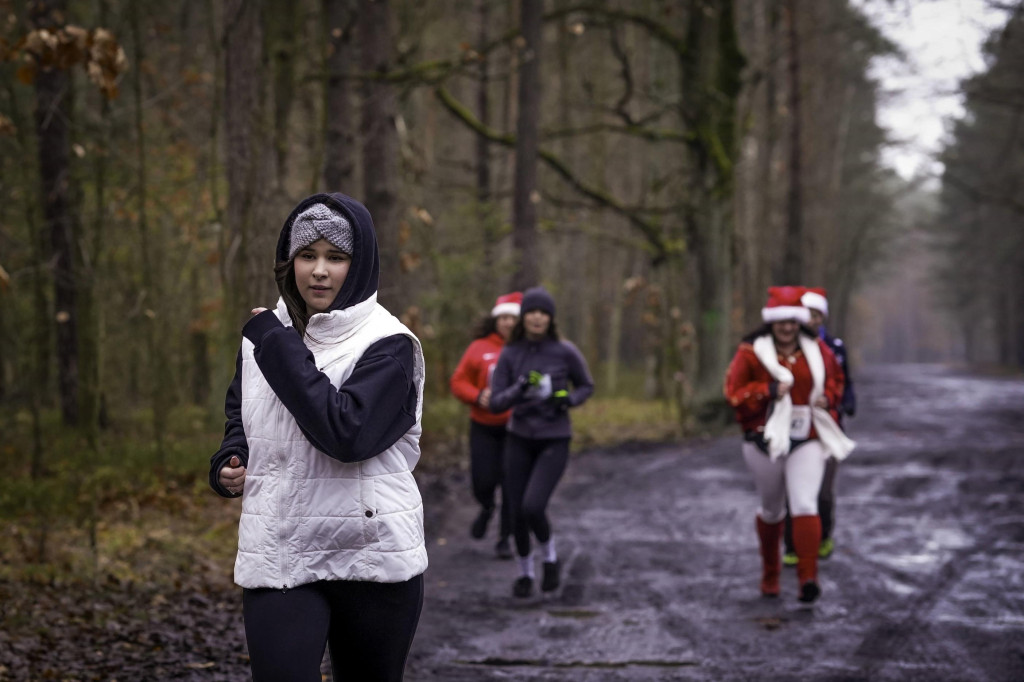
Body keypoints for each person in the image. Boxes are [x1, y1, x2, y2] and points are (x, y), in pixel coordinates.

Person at [208, 193, 427, 681]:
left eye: (336, 257)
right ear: (290, 263)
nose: (319, 271)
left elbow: (346, 433)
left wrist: (276, 345)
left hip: (371, 555)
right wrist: (230, 457)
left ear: (361, 262)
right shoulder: (266, 337)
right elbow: (242, 413)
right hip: (280, 549)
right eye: (307, 256)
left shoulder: (389, 345)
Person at [723, 286, 855, 603]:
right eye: (780, 321)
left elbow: (837, 380)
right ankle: (770, 573)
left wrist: (829, 398)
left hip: (808, 436)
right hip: (764, 439)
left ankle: (808, 578)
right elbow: (733, 392)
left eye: (792, 321)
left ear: (801, 322)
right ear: (771, 322)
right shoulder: (751, 351)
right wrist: (767, 390)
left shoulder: (818, 350)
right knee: (772, 509)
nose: (786, 328)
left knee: (805, 504)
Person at [488, 286, 594, 598]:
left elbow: (586, 385)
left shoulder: (564, 351)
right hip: (519, 437)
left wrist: (567, 399)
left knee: (533, 506)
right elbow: (496, 403)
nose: (537, 317)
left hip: (554, 438)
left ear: (550, 319)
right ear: (524, 317)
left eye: (544, 313)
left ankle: (550, 558)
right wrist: (520, 389)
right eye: (532, 312)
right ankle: (524, 574)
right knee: (517, 511)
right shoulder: (511, 353)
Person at [782, 287, 857, 566]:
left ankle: (823, 536)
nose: (811, 320)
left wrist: (844, 401)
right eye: (807, 314)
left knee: (823, 490)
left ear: (822, 317)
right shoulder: (789, 349)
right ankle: (791, 546)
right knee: (794, 489)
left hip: (829, 428)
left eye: (816, 315)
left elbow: (844, 381)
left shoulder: (835, 349)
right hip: (795, 429)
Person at [449, 292, 522, 559]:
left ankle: (505, 539)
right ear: (495, 320)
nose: (508, 323)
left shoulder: (527, 348)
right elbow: (458, 382)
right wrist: (478, 396)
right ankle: (487, 506)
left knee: (512, 485)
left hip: (517, 430)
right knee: (483, 481)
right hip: (483, 426)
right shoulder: (479, 347)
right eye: (503, 317)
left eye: (513, 318)